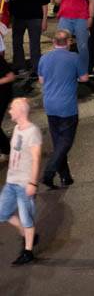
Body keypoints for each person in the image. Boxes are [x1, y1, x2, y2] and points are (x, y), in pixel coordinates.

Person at [37, 29, 87, 189]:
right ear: (69, 42)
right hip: (67, 106)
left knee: (58, 142)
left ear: (53, 42)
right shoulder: (74, 58)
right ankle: (48, 172)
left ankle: (66, 177)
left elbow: (41, 80)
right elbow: (84, 78)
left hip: (50, 105)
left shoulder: (44, 58)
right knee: (65, 142)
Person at [1, 98, 41, 265]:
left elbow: (36, 158)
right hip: (11, 181)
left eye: (12, 108)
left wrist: (32, 183)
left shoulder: (33, 132)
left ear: (21, 111)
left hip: (25, 183)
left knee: (26, 219)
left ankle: (28, 251)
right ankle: (26, 234)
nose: (9, 111)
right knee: (2, 213)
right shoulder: (17, 128)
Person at [7, 0, 49, 82]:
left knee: (34, 44)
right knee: (16, 42)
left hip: (35, 18)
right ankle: (19, 66)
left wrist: (44, 20)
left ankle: (36, 68)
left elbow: (44, 4)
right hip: (19, 17)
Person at [54, 0, 94, 78]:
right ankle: (64, 71)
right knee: (61, 45)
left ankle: (83, 72)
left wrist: (91, 17)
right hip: (65, 17)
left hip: (81, 17)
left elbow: (92, 0)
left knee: (82, 46)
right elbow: (57, 1)